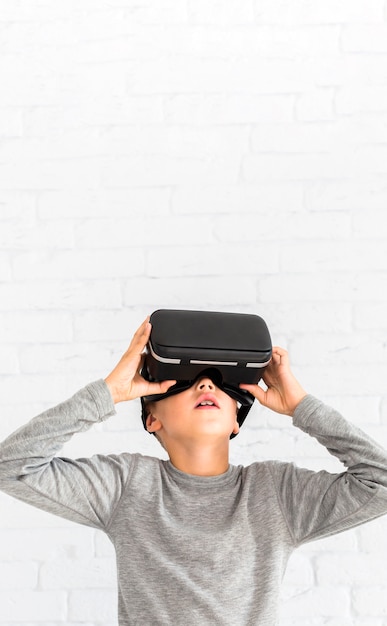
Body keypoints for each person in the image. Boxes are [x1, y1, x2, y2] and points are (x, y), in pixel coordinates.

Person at [1, 317, 387, 626]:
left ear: (237, 420)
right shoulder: (126, 484)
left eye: (219, 382)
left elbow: (380, 483)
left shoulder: (274, 491)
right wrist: (109, 392)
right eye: (185, 381)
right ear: (152, 418)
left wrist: (300, 405)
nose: (206, 382)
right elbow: (11, 467)